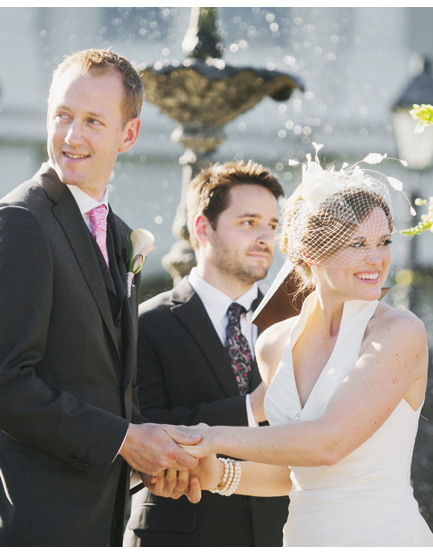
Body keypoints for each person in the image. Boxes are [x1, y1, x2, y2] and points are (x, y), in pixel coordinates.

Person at [0, 49, 199, 547]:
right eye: (62, 116)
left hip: (94, 525)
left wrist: (154, 456)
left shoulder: (119, 237)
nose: (71, 136)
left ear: (127, 135)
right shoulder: (18, 222)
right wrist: (127, 441)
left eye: (92, 121)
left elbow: (101, 390)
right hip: (24, 525)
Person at [155, 150, 433, 546]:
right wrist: (215, 473)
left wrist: (210, 436)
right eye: (357, 244)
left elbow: (327, 443)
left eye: (384, 241)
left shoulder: (398, 331)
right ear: (310, 253)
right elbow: (294, 471)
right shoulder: (273, 344)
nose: (377, 259)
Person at [124, 161, 290, 546]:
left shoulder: (295, 326)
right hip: (178, 536)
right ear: (202, 228)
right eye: (249, 222)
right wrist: (252, 409)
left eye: (272, 225)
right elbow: (145, 427)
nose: (265, 237)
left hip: (278, 536)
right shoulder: (145, 323)